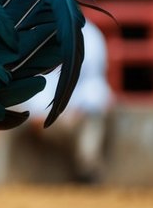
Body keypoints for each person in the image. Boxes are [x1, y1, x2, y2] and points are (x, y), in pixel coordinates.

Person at [17, 23, 113, 183]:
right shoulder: (37, 32)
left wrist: (81, 108)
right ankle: (84, 168)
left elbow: (94, 83)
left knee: (94, 114)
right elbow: (33, 80)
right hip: (47, 116)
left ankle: (88, 169)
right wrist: (39, 111)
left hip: (80, 112)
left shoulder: (90, 35)